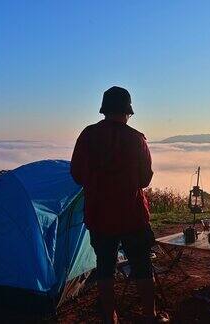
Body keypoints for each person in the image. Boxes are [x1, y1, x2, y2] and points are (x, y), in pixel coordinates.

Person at [71, 86, 168, 323]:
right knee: (142, 265)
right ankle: (149, 315)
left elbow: (76, 173)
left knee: (105, 267)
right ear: (127, 111)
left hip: (98, 214)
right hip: (131, 215)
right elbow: (145, 179)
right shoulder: (136, 139)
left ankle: (110, 317)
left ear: (104, 110)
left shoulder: (87, 135)